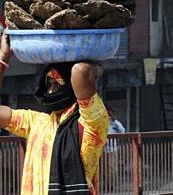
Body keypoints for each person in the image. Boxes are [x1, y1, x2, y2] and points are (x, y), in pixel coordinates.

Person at [0, 30, 110, 194]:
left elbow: (81, 71)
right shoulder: (37, 123)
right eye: (48, 85)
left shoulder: (91, 123)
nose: (51, 91)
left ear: (72, 86)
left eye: (57, 84)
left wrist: (98, 69)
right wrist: (3, 56)